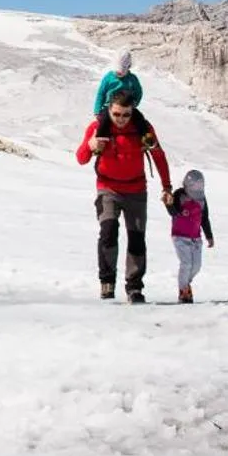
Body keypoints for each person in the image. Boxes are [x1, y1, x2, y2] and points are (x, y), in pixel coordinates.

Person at [75, 93, 172, 303]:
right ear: (109, 109)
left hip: (136, 189)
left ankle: (134, 288)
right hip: (107, 187)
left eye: (126, 115)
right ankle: (107, 283)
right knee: (108, 231)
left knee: (137, 238)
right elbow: (81, 158)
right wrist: (91, 146)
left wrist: (167, 186)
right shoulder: (97, 128)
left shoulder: (142, 127)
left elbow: (158, 155)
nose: (121, 119)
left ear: (133, 111)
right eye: (117, 114)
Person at [164, 169, 215, 304]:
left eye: (199, 185)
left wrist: (209, 236)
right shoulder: (180, 195)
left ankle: (186, 283)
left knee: (196, 266)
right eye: (194, 186)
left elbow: (204, 218)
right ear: (187, 185)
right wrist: (168, 203)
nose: (197, 189)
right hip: (180, 236)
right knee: (186, 264)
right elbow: (173, 212)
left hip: (195, 238)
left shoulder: (202, 199)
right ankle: (183, 291)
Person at [90, 52, 155, 149]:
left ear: (128, 67)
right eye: (117, 70)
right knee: (104, 120)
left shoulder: (132, 79)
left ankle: (146, 136)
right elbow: (101, 94)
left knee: (139, 117)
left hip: (127, 106)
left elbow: (138, 92)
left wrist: (134, 103)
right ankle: (100, 142)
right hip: (110, 107)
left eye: (122, 70)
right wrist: (97, 110)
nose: (119, 73)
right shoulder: (108, 78)